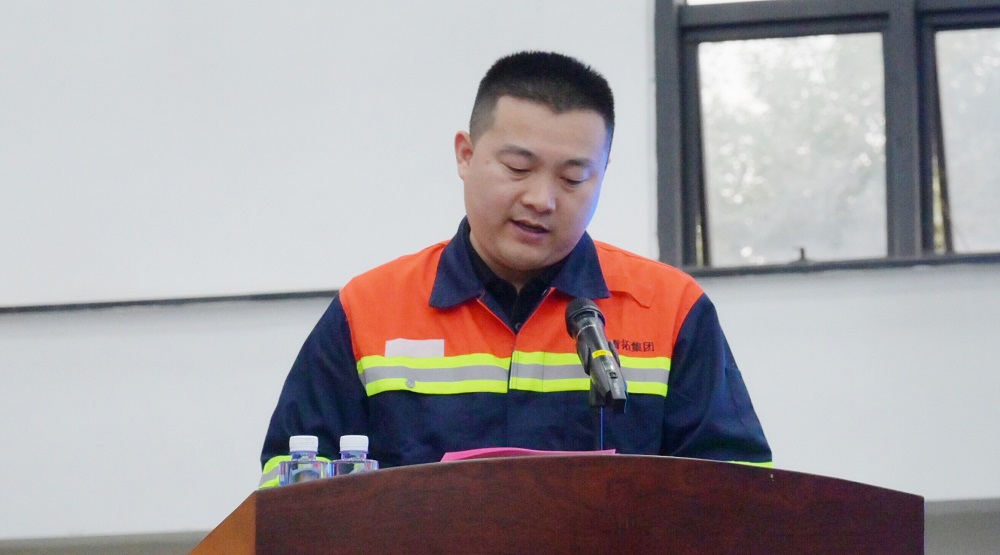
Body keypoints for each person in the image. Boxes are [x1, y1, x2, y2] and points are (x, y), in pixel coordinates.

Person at [258, 51, 770, 487]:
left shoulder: (670, 310)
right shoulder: (369, 310)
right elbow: (290, 491)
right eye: (518, 168)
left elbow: (739, 497)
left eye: (573, 178)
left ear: (602, 176)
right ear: (465, 155)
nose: (541, 199)